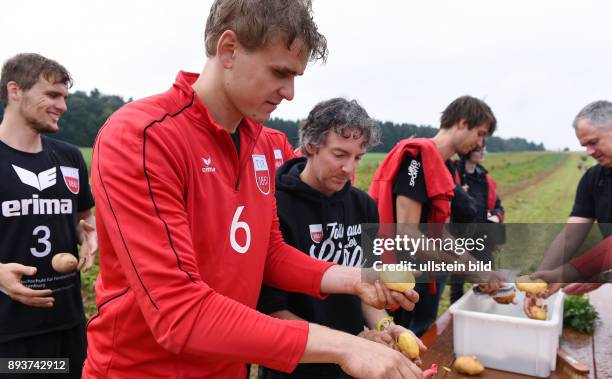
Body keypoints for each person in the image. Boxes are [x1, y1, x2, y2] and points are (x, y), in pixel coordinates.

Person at [83, 1, 421, 378]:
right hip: (143, 370)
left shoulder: (262, 144)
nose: (290, 92)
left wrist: (354, 280)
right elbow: (177, 312)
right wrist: (343, 345)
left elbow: (269, 252)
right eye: (280, 72)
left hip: (229, 367)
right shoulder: (145, 136)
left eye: (296, 76)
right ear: (228, 50)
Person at [257, 98, 426, 379]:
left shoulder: (364, 206)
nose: (349, 168)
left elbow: (368, 289)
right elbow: (271, 311)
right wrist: (349, 345)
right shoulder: (274, 205)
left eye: (357, 157)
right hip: (297, 368)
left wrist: (386, 327)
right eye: (339, 155)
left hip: (357, 363)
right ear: (311, 147)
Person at [0, 53, 97, 378]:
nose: (63, 106)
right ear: (15, 90)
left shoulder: (69, 157)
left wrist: (89, 234)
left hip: (69, 326)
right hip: (10, 337)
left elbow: (85, 215)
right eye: (52, 95)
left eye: (65, 97)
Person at [369, 95, 499, 336]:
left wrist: (475, 266)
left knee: (424, 333)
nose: (480, 143)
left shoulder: (446, 166)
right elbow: (407, 235)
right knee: (403, 338)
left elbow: (443, 233)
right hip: (403, 274)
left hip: (430, 270)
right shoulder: (416, 159)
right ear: (462, 122)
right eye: (480, 133)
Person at [528, 100, 612, 301]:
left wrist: (568, 273)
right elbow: (570, 236)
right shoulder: (593, 178)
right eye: (585, 146)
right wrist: (539, 279)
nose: (589, 152)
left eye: (593, 142)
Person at [449, 145, 505, 303]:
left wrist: (496, 217)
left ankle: (487, 311)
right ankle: (456, 317)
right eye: (478, 149)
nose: (482, 152)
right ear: (467, 151)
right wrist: (458, 193)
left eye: (484, 149)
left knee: (489, 278)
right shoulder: (453, 174)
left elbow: (499, 207)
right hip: (458, 237)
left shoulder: (485, 178)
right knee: (457, 284)